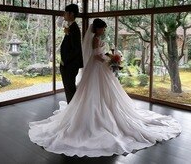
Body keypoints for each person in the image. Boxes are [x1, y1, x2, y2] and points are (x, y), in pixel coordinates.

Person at [29, 19, 181, 157]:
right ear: (98, 28)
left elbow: (98, 53)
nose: (104, 30)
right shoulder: (95, 38)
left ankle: (106, 108)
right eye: (103, 28)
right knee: (96, 91)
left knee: (104, 91)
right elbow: (95, 56)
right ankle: (99, 113)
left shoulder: (97, 38)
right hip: (97, 67)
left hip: (98, 68)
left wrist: (110, 58)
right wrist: (110, 59)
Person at [60, 4, 83, 103]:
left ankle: (73, 112)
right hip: (68, 64)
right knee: (69, 89)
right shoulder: (71, 27)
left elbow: (76, 49)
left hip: (70, 65)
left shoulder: (74, 29)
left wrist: (64, 61)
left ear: (71, 14)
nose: (64, 14)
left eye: (65, 12)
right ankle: (72, 110)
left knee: (70, 90)